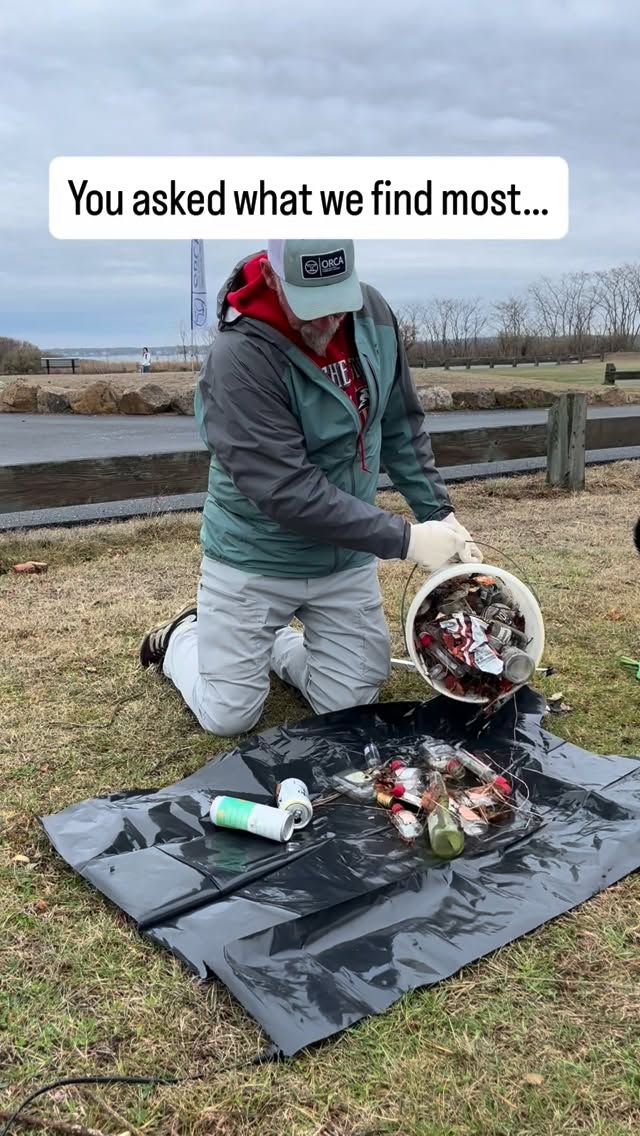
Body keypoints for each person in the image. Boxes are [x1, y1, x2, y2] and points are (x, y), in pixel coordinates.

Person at [139, 239, 481, 736]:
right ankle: (183, 637)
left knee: (349, 702)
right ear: (274, 280)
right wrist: (408, 540)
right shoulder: (238, 357)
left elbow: (399, 421)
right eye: (311, 310)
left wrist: (439, 512)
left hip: (342, 558)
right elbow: (287, 490)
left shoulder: (375, 315)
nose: (327, 324)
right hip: (256, 555)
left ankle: (271, 645)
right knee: (229, 715)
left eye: (337, 306)